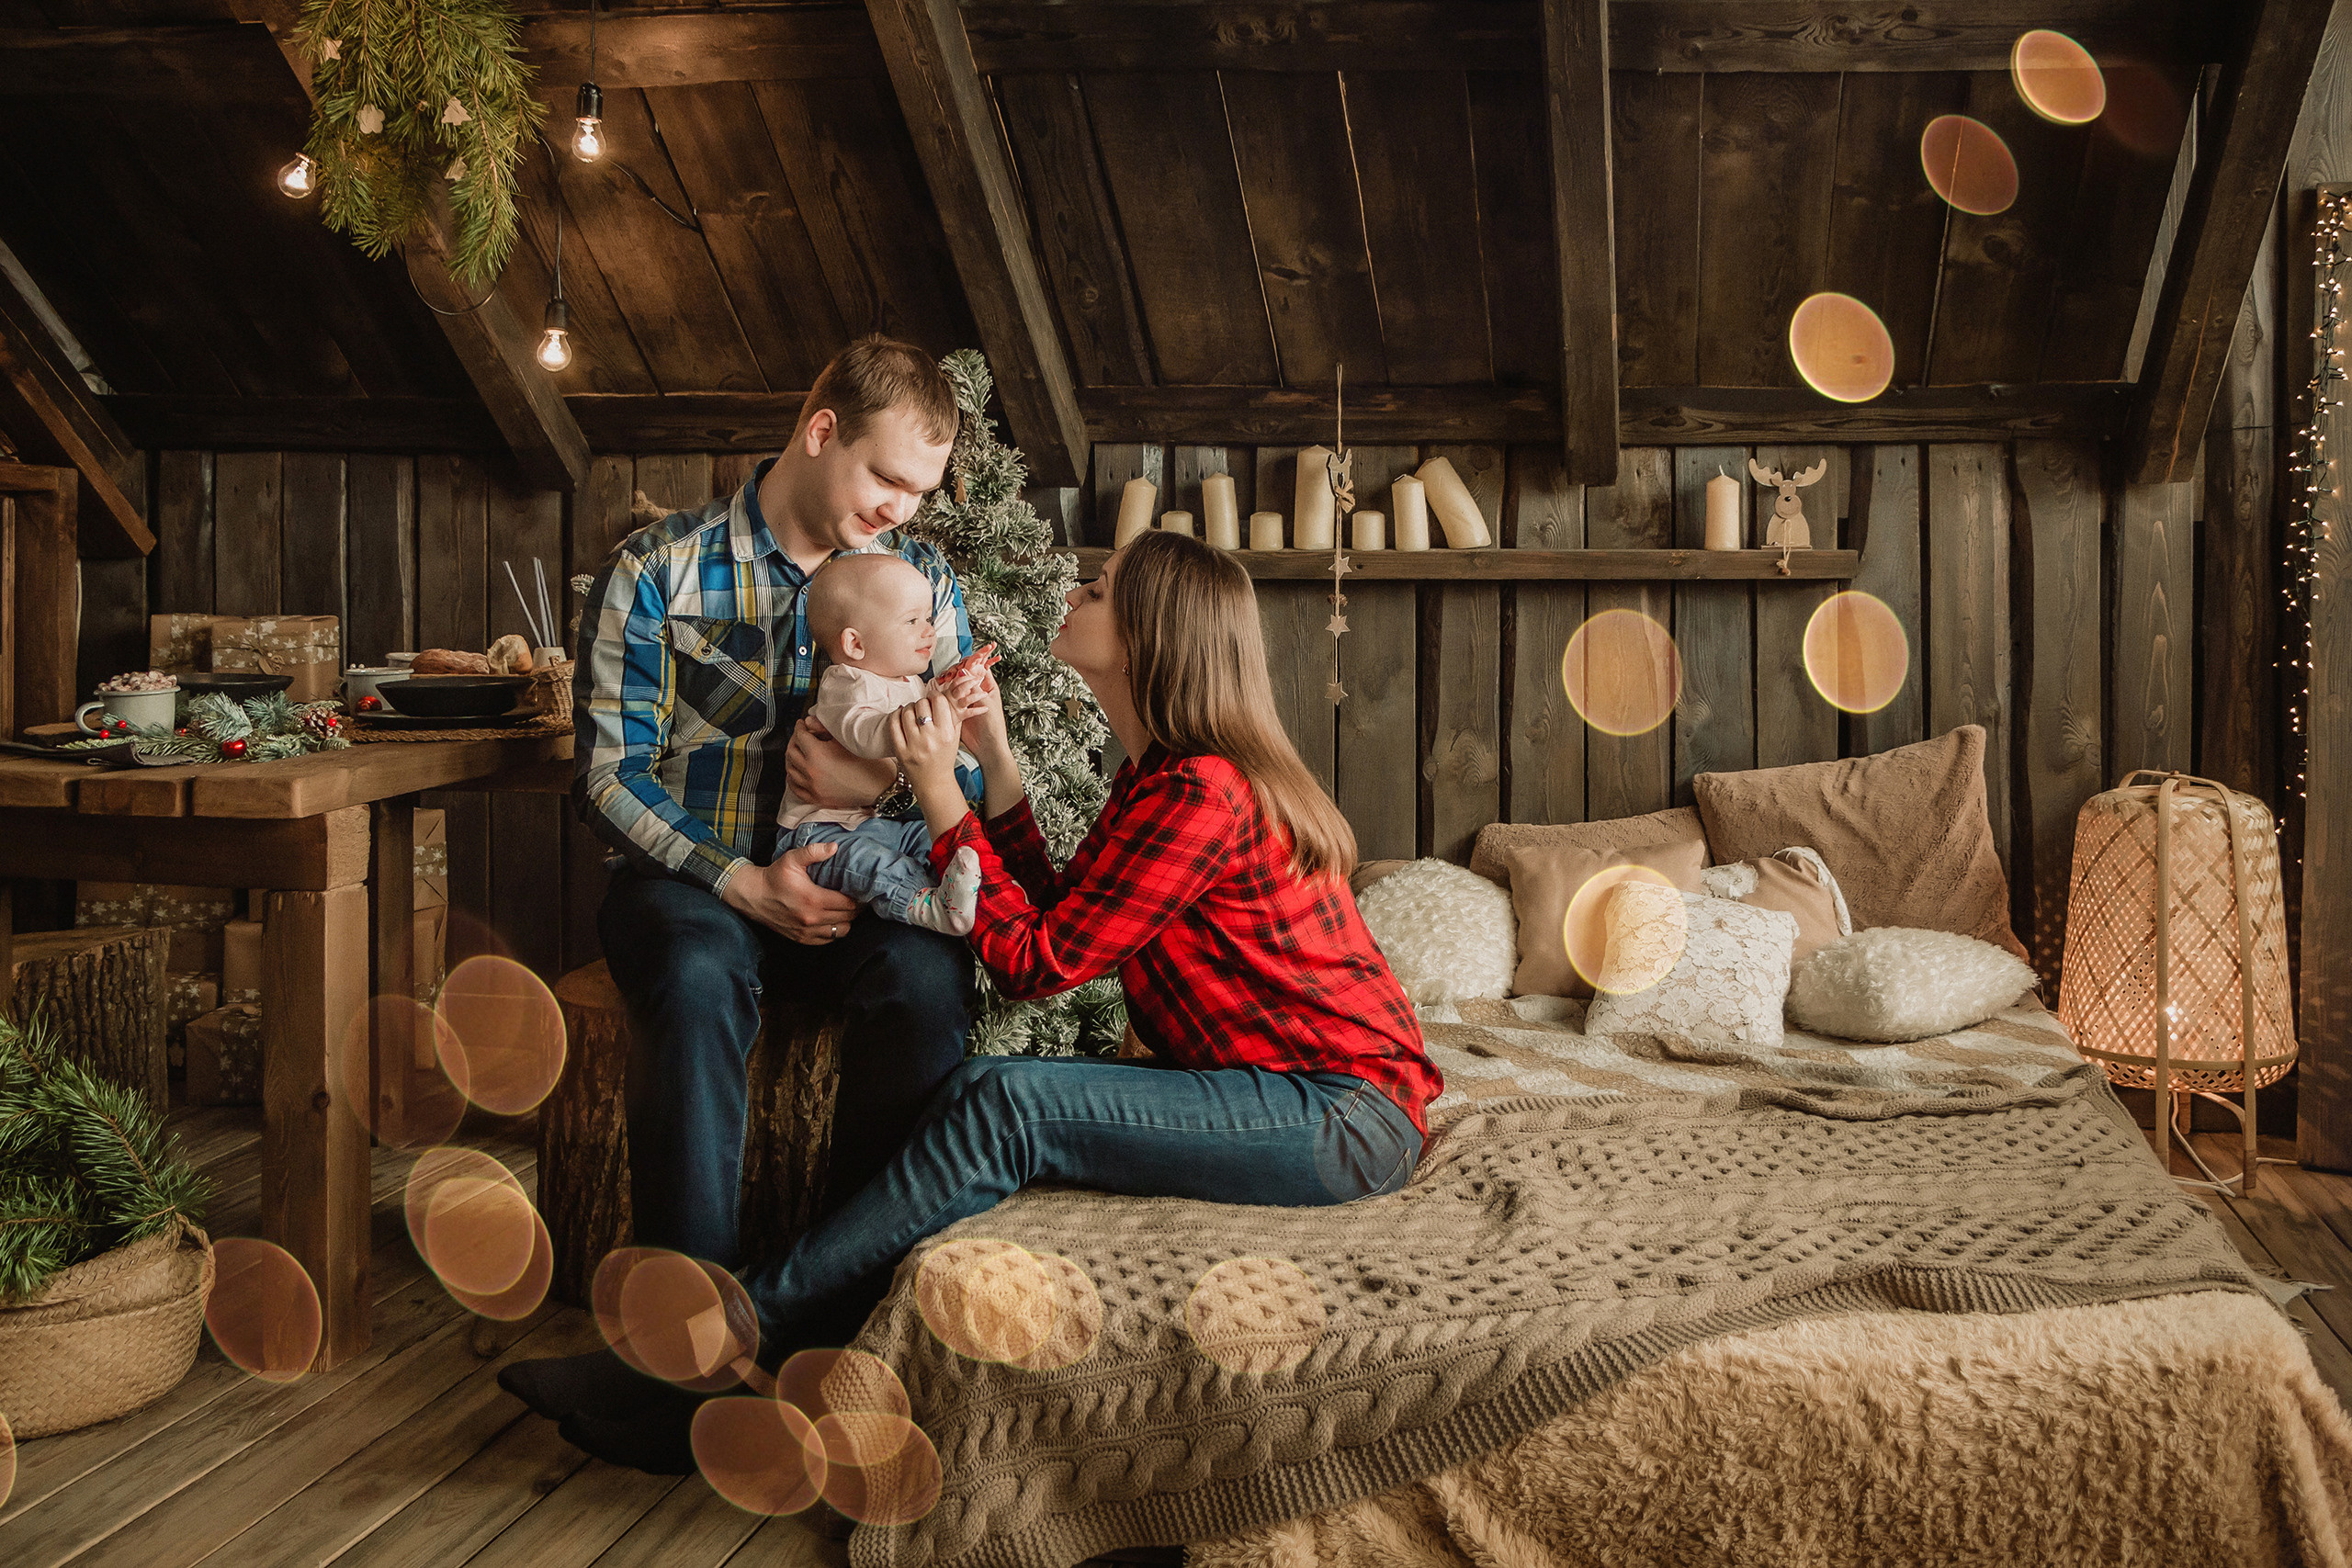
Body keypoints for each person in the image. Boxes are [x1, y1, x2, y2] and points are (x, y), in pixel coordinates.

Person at [510, 527, 1443, 1472]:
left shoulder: (1200, 792)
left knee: (1001, 1099)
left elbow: (1035, 963)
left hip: (1339, 1114)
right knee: (975, 1094)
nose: (1075, 592)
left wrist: (932, 788)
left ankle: (707, 1348)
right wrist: (992, 756)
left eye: (1101, 588)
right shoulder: (1157, 777)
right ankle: (788, 1354)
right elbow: (1054, 913)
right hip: (1287, 1092)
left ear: (1150, 635)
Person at [510, 338, 985, 1425]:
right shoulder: (659, 567)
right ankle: (682, 1346)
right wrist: (740, 882)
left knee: (927, 985)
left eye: (921, 491)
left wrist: (873, 770)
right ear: (821, 431)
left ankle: (842, 1318)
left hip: (862, 882)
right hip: (693, 883)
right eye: (888, 480)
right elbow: (609, 773)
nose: (903, 512)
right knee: (687, 978)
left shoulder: (924, 585)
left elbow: (950, 765)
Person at [776, 552, 990, 937]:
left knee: (932, 839)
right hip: (822, 833)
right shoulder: (845, 683)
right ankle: (924, 906)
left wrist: (953, 691)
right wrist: (928, 713)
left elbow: (931, 722)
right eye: (912, 621)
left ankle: (987, 898)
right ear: (855, 644)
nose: (929, 631)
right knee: (874, 865)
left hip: (880, 822)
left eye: (928, 619)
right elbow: (866, 734)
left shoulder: (905, 680)